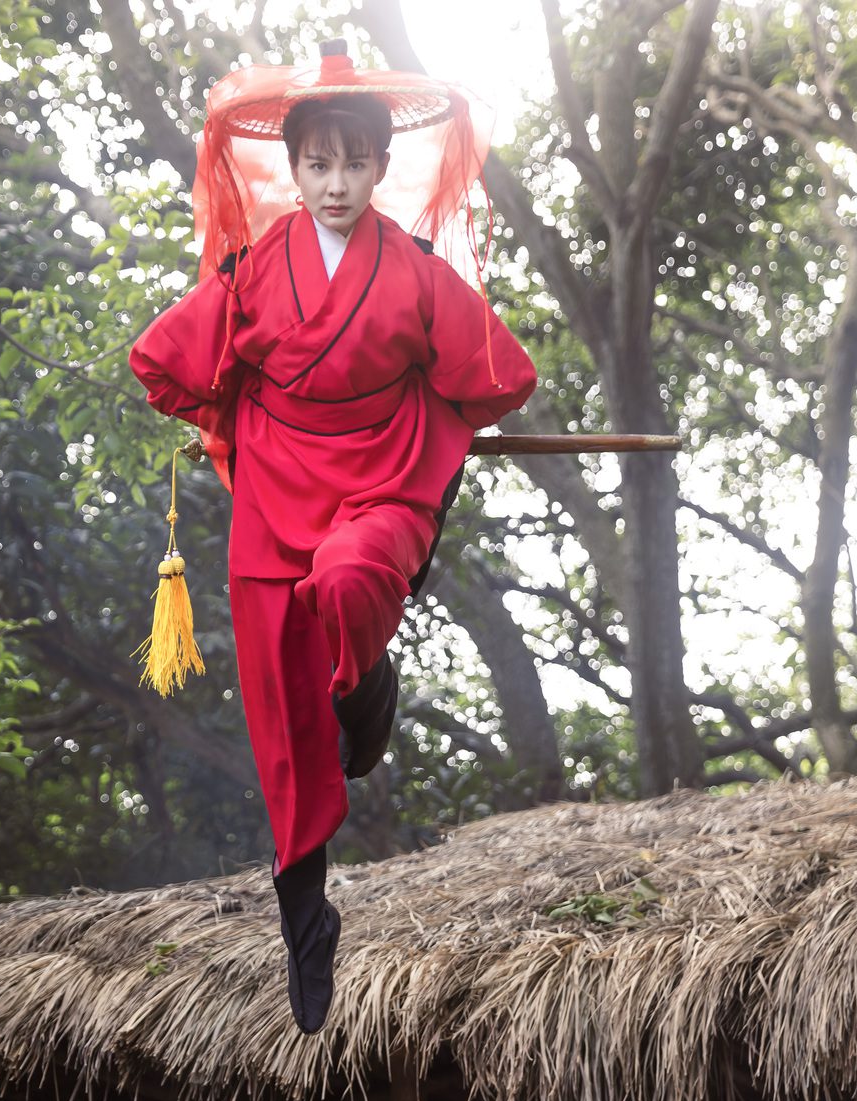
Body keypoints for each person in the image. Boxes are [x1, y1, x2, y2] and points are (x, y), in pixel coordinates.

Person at [128, 43, 538, 1035]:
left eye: (355, 162)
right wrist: (229, 407)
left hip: (381, 485)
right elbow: (162, 359)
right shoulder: (251, 266)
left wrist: (424, 415)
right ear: (296, 168)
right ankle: (303, 910)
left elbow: (497, 376)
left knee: (351, 581)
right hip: (273, 494)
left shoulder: (415, 268)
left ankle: (364, 685)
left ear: (378, 167)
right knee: (276, 702)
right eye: (318, 163)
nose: (336, 182)